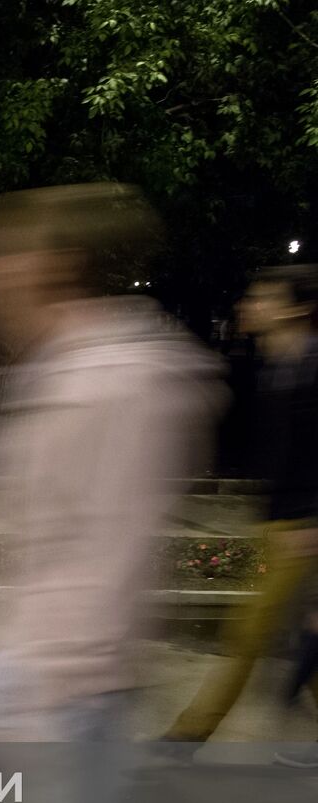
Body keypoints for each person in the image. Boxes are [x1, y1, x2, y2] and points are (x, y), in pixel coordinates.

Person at [0, 184, 225, 803]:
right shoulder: (58, 370)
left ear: (54, 265)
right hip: (26, 668)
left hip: (71, 683)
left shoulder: (117, 382)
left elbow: (107, 558)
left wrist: (28, 694)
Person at [160, 266, 318, 753]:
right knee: (299, 635)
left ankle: (190, 733)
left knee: (250, 630)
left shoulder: (310, 368)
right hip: (280, 522)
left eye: (263, 297)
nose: (249, 305)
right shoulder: (279, 363)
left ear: (295, 308)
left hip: (302, 526)